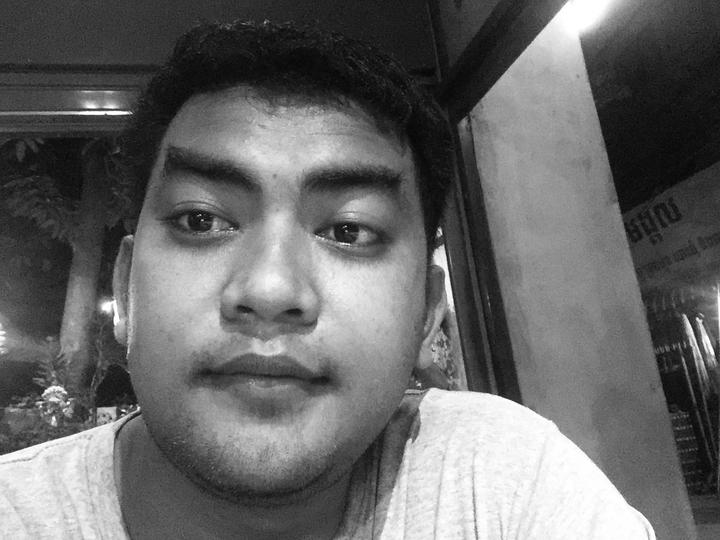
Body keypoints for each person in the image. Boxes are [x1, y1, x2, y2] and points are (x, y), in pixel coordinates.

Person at [0, 20, 655, 539]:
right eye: (202, 220)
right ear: (125, 291)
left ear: (427, 315)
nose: (270, 290)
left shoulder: (505, 483)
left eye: (348, 230)